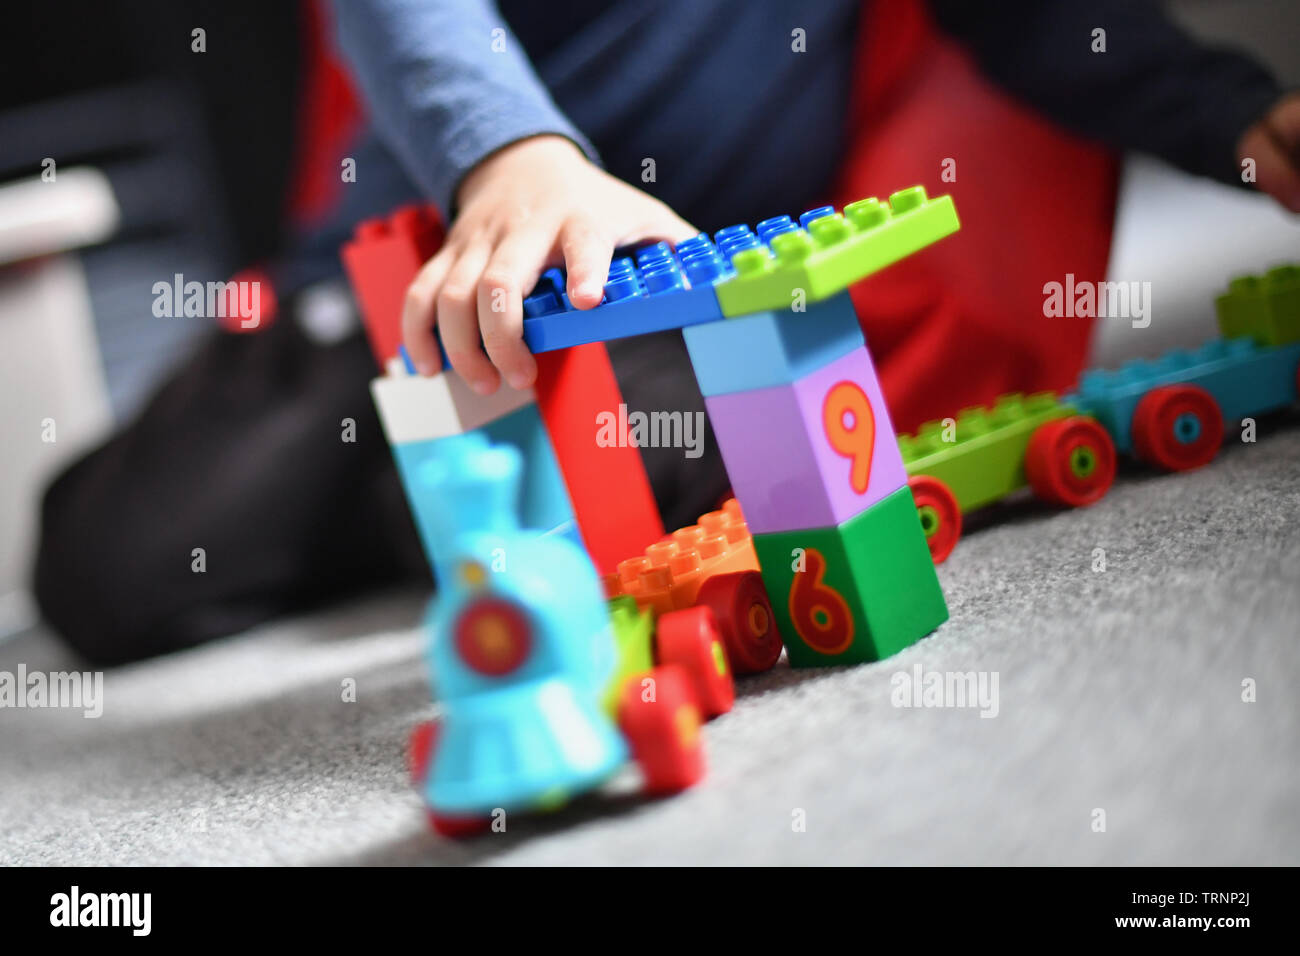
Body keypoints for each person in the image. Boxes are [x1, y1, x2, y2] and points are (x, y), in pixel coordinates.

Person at [35, 0, 1299, 664]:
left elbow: (1043, 19)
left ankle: (432, 494)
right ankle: (416, 477)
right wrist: (509, 155)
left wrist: (1229, 116)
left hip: (670, 288)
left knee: (686, 481)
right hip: (403, 277)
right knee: (116, 569)